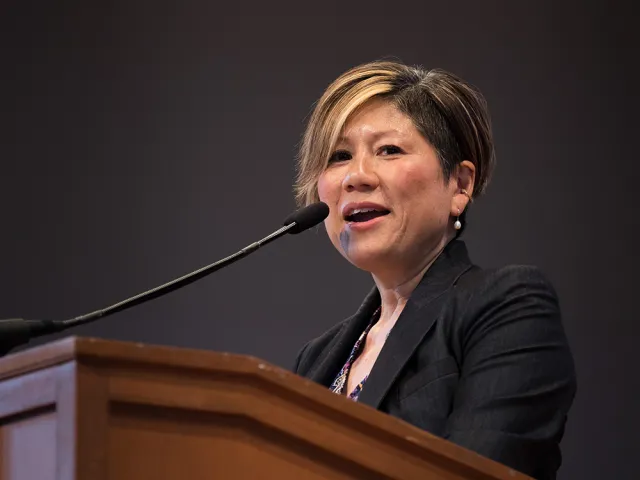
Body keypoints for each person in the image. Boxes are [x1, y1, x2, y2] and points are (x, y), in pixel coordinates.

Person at [291, 60, 576, 480]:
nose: (356, 176)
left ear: (459, 186)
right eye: (339, 156)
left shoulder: (506, 308)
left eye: (389, 150)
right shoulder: (315, 361)